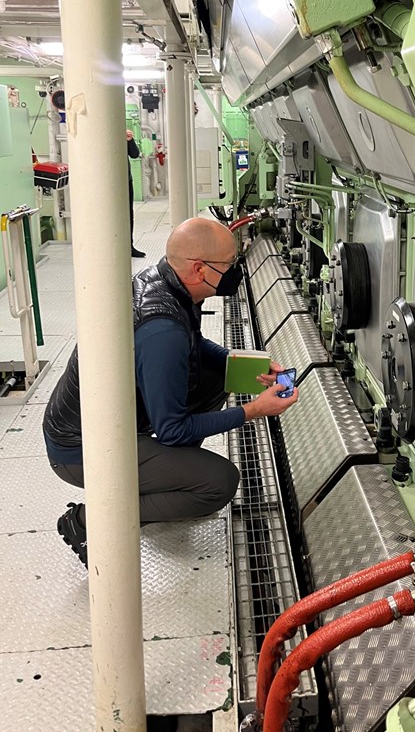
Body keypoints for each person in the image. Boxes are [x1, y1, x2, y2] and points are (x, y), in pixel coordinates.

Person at [43, 217, 299, 567]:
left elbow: (194, 344)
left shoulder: (165, 281)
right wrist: (254, 410)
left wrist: (245, 364)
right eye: (229, 265)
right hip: (79, 450)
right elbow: (173, 429)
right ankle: (89, 521)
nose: (234, 271)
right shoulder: (162, 332)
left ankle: (169, 468)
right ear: (199, 268)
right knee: (219, 482)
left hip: (103, 421)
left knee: (214, 375)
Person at [127, 129, 146, 258]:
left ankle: (129, 246)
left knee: (129, 214)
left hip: (126, 180)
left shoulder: (122, 137)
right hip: (108, 185)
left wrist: (130, 140)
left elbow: (134, 154)